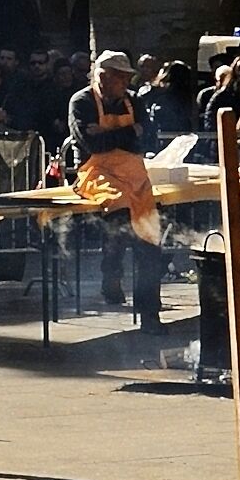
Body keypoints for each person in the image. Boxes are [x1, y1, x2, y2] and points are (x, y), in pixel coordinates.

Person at [69, 51, 164, 334]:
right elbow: (91, 145)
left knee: (151, 243)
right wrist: (131, 132)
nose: (126, 82)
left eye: (126, 77)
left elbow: (150, 138)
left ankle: (150, 316)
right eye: (120, 77)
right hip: (96, 173)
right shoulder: (82, 102)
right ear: (102, 76)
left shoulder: (134, 100)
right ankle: (111, 274)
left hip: (135, 175)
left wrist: (109, 135)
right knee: (119, 218)